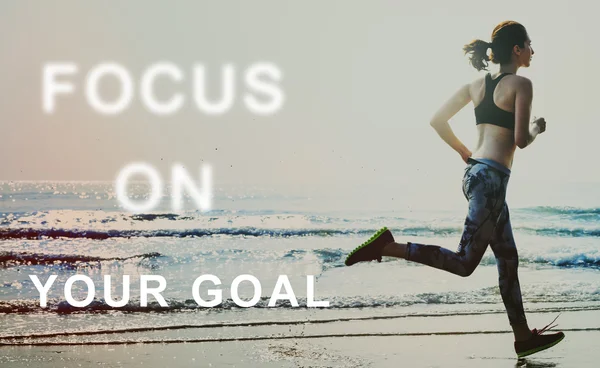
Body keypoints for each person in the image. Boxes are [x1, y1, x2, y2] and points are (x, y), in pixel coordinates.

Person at [344, 20, 565, 358]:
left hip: (477, 175)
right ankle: (388, 247)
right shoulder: (522, 84)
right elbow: (520, 140)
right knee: (465, 263)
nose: (533, 51)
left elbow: (437, 120)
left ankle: (523, 337)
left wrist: (465, 152)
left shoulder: (475, 85)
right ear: (517, 49)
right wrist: (536, 128)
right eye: (530, 44)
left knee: (507, 257)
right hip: (491, 181)